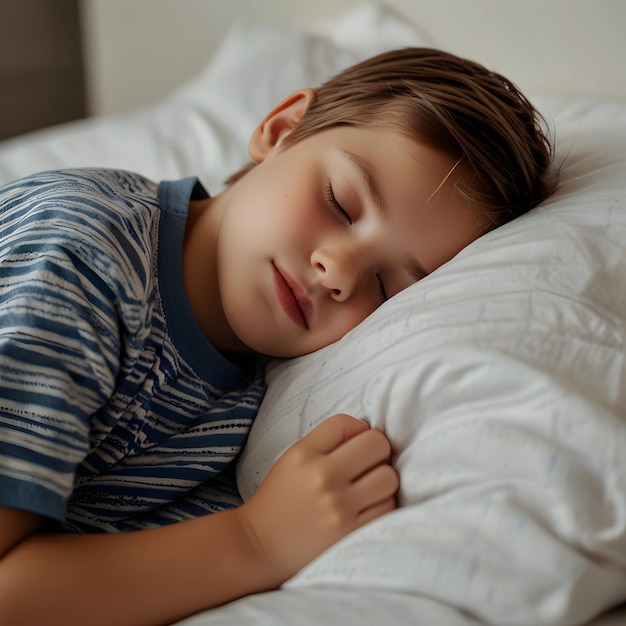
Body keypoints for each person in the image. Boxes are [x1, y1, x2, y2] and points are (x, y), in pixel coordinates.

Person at [0, 47, 556, 625]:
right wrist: (255, 541)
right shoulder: (80, 260)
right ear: (281, 129)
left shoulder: (249, 401)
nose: (338, 272)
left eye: (387, 288)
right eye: (341, 204)